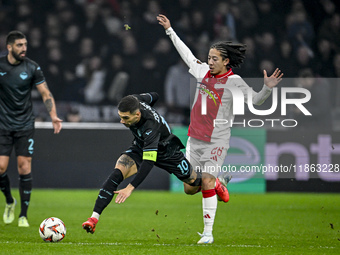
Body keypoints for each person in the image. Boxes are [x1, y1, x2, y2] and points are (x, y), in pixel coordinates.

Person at [157, 14, 283, 244]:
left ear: (226, 61)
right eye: (209, 58)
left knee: (205, 180)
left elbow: (255, 102)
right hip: (194, 140)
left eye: (215, 59)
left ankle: (208, 233)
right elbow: (186, 55)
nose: (210, 62)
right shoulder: (202, 72)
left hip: (216, 141)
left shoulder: (234, 82)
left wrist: (267, 89)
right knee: (188, 187)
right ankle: (218, 183)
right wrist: (170, 30)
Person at [82, 92, 208, 234]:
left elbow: (149, 162)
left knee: (191, 185)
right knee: (117, 173)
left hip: (167, 152)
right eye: (120, 116)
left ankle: (216, 184)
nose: (122, 121)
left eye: (125, 118)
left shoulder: (150, 127)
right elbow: (155, 95)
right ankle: (93, 219)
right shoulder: (135, 100)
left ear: (137, 115)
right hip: (140, 146)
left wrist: (130, 187)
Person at [0, 31, 62, 227]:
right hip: (3, 124)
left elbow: (45, 93)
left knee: (24, 167)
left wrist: (53, 116)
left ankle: (23, 215)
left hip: (25, 124)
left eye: (25, 44)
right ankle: (10, 201)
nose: (24, 48)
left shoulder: (32, 67)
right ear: (9, 47)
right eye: (19, 45)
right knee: (0, 167)